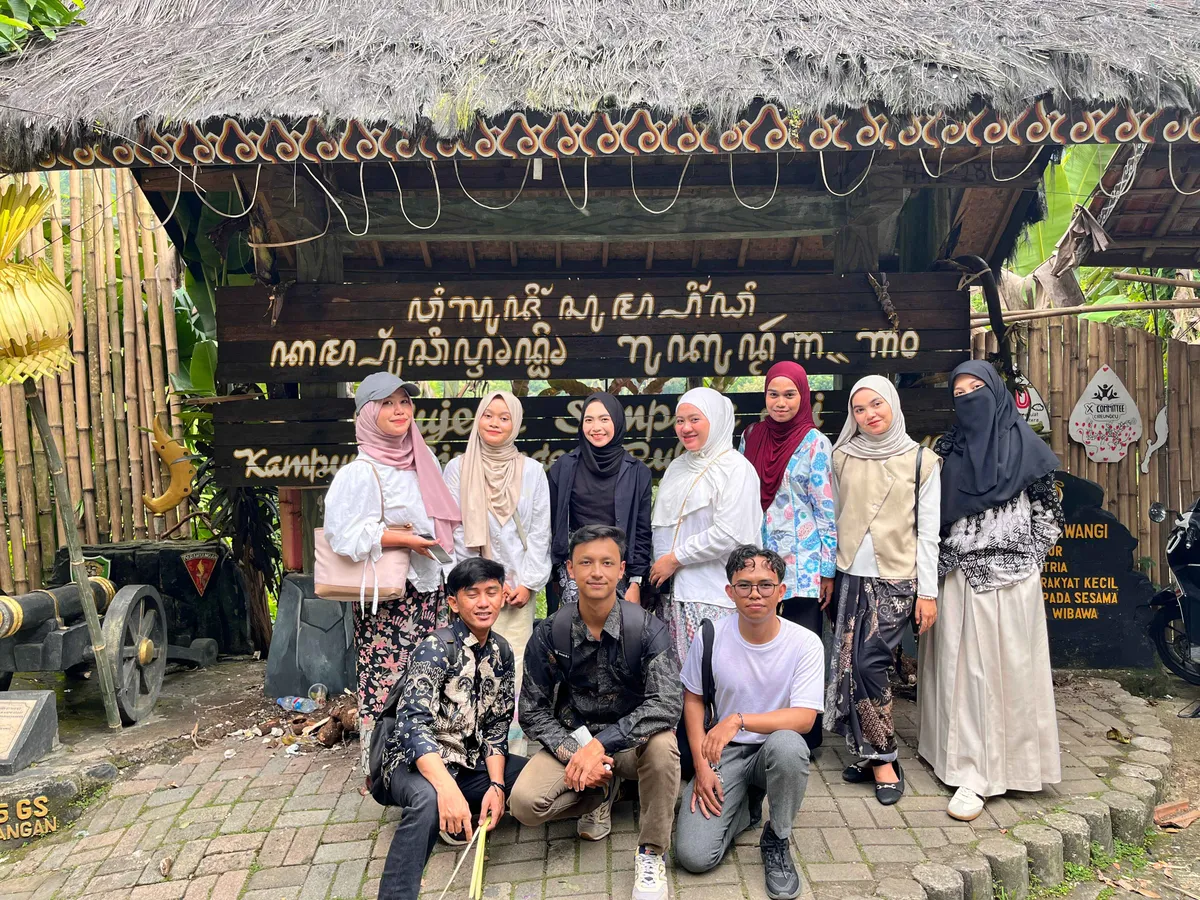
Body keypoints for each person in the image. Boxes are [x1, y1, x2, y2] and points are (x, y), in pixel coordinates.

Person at [919, 361, 1063, 822]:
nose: (967, 398)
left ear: (996, 391)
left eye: (976, 388)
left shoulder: (1027, 448)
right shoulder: (950, 449)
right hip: (959, 580)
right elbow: (935, 520)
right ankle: (970, 771)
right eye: (958, 392)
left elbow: (1050, 516)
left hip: (1014, 582)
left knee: (1010, 672)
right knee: (965, 673)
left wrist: (1023, 560)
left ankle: (1017, 767)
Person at [511, 525, 682, 900]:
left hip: (630, 744)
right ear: (570, 569)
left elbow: (667, 704)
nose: (596, 572)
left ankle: (652, 851)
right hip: (575, 739)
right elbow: (532, 710)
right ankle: (600, 793)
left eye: (607, 562)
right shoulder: (550, 632)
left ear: (622, 570)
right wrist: (577, 752)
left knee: (664, 748)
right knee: (524, 804)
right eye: (585, 562)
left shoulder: (648, 630)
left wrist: (600, 745)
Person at [322, 373, 461, 773]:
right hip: (388, 605)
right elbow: (342, 534)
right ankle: (391, 776)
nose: (399, 410)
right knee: (391, 690)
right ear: (368, 413)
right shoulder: (361, 472)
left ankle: (439, 773)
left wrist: (426, 543)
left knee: (434, 684)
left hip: (431, 593)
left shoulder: (423, 460)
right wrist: (399, 538)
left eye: (404, 402)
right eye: (387, 403)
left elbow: (443, 520)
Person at [674, 546, 822, 900]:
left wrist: (737, 720)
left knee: (789, 747)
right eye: (744, 585)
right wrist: (700, 764)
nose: (755, 593)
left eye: (765, 585)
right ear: (729, 591)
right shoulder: (711, 635)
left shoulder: (805, 644)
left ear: (781, 591)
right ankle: (748, 808)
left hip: (773, 748)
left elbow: (804, 718)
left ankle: (777, 838)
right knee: (694, 856)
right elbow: (693, 699)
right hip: (725, 754)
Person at [377, 557, 527, 900]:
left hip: (468, 761)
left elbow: (497, 726)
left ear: (503, 596)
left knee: (532, 778)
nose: (484, 602)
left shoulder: (501, 651)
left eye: (492, 592)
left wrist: (497, 785)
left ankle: (470, 804)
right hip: (412, 764)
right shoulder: (436, 647)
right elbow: (412, 725)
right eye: (472, 594)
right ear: (453, 603)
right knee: (428, 800)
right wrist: (446, 788)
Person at [828, 375, 940, 805]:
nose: (869, 415)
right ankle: (866, 750)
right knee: (847, 663)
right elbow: (836, 514)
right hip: (850, 573)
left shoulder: (921, 461)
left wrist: (926, 593)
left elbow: (928, 533)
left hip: (896, 577)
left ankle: (885, 758)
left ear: (892, 404)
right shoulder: (842, 456)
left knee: (871, 662)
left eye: (877, 405)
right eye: (859, 409)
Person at [740, 361, 837, 749]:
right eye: (773, 394)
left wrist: (827, 571)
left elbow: (827, 511)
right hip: (759, 562)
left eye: (790, 394)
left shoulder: (815, 443)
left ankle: (806, 736)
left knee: (802, 647)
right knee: (760, 644)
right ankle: (760, 726)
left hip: (803, 563)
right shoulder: (750, 436)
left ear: (804, 396)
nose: (780, 403)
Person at [444, 390, 551, 709]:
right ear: (477, 419)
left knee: (513, 674)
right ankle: (470, 755)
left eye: (504, 418)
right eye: (488, 415)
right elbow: (453, 532)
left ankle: (511, 755)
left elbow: (539, 532)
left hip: (516, 594)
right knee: (468, 674)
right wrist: (484, 582)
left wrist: (528, 583)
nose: (494, 423)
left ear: (515, 424)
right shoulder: (457, 469)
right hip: (473, 591)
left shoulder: (531, 471)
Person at [650, 387, 763, 664]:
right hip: (672, 597)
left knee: (712, 677)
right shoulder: (677, 467)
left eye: (694, 419)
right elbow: (663, 526)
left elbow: (729, 534)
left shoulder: (736, 468)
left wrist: (675, 559)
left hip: (713, 596)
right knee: (676, 684)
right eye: (679, 420)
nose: (685, 428)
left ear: (716, 420)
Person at [547, 391, 653, 612]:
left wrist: (636, 582)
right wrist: (557, 576)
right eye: (589, 420)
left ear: (617, 421)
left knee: (618, 640)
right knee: (574, 637)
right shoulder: (564, 467)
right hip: (575, 571)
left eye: (604, 419)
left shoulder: (637, 472)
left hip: (619, 571)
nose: (596, 427)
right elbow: (550, 525)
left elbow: (642, 532)